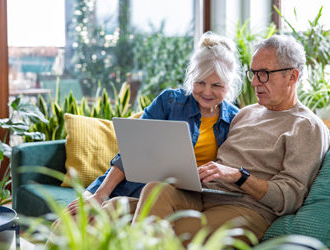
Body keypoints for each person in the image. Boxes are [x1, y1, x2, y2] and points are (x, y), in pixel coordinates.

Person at [107, 34, 330, 245]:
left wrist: (239, 176)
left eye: (264, 73)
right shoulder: (246, 113)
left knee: (166, 230)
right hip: (206, 196)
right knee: (114, 207)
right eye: (253, 73)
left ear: (293, 76)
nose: (254, 83)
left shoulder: (306, 127)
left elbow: (290, 198)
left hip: (248, 210)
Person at [61, 31, 243, 216]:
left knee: (103, 217)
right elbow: (132, 150)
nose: (207, 91)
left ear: (229, 85)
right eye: (200, 82)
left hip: (180, 197)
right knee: (68, 221)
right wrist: (99, 195)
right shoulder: (170, 102)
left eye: (217, 85)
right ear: (191, 79)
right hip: (134, 186)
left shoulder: (236, 120)